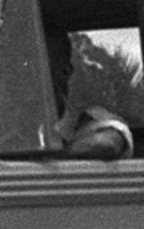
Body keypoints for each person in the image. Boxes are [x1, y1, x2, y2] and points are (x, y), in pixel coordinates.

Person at [45, 31, 133, 160]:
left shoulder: (91, 119)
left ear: (66, 71)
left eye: (46, 67)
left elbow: (106, 142)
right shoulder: (16, 120)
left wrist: (50, 156)